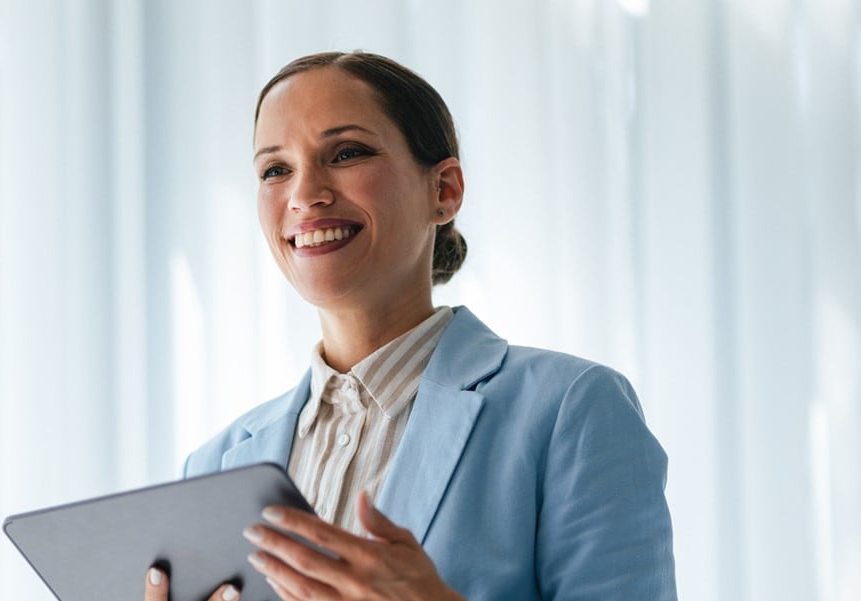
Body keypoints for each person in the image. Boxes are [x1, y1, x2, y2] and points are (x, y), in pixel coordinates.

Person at [143, 51, 677, 601]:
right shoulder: (214, 464)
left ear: (443, 190)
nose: (304, 195)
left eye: (346, 153)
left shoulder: (573, 409)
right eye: (275, 169)